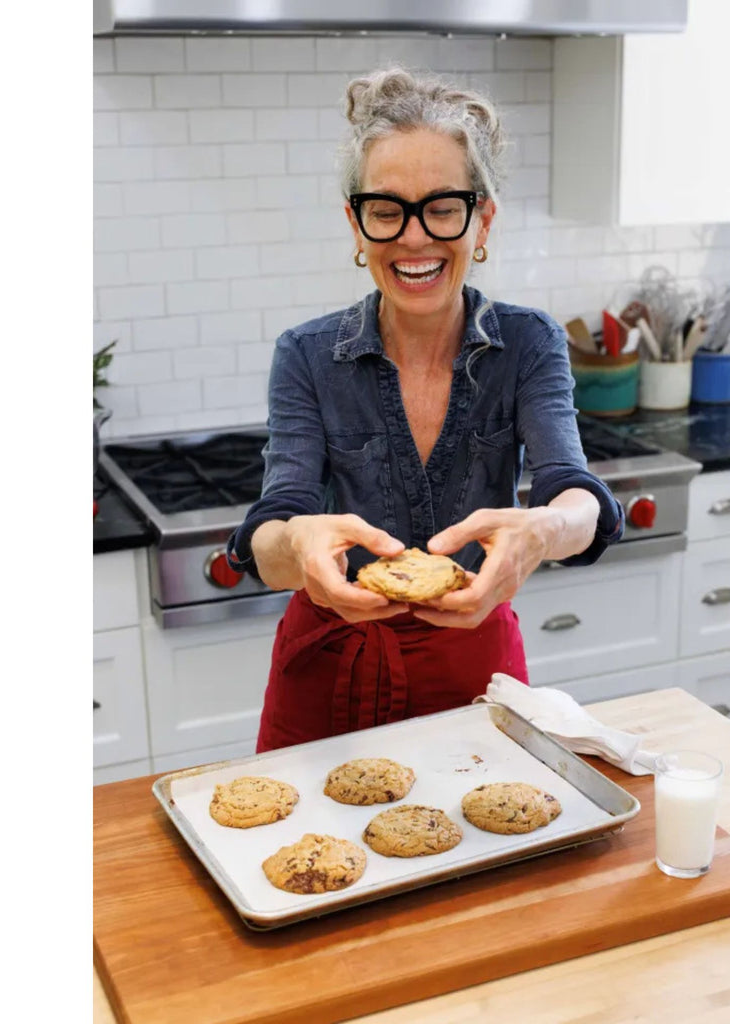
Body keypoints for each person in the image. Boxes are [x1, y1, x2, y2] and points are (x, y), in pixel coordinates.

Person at [226, 67, 624, 752]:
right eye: (387, 210)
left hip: (475, 671)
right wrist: (296, 546)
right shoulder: (308, 355)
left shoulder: (528, 343)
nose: (414, 238)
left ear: (483, 218)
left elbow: (576, 494)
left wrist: (542, 532)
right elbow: (273, 524)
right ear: (356, 222)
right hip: (325, 679)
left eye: (442, 207)